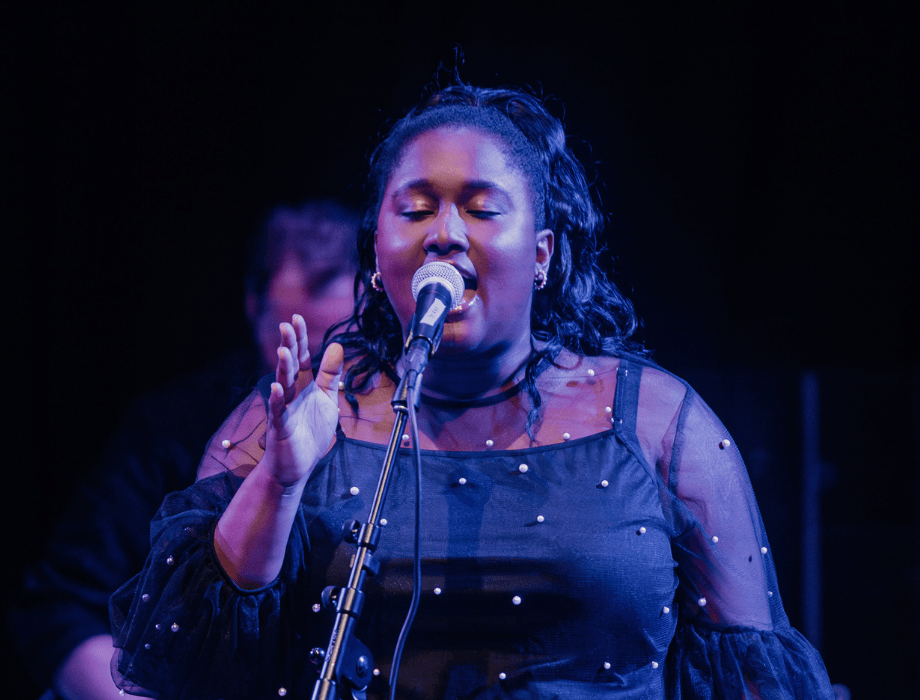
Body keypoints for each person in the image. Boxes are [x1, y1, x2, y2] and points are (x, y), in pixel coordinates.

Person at [110, 85, 834, 699]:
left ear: (543, 255)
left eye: (482, 209)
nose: (445, 235)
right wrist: (281, 476)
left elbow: (752, 673)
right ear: (376, 255)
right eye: (416, 209)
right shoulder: (303, 413)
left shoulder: (658, 423)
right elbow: (195, 644)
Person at [10, 200, 359, 700]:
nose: (310, 374)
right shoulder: (173, 424)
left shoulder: (403, 426)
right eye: (290, 344)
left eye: (335, 346)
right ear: (252, 306)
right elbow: (61, 606)